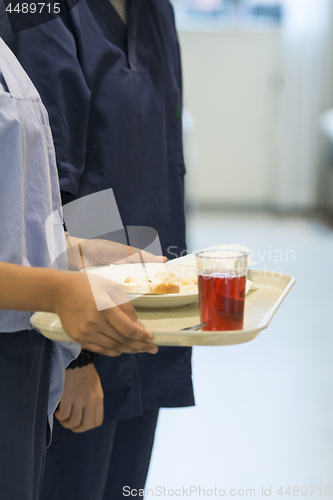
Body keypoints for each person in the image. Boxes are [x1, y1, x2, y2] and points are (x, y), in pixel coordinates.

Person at [0, 0, 195, 497]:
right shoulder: (40, 12)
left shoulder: (156, 12)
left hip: (147, 307)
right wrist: (78, 358)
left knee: (126, 485)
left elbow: (164, 155)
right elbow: (56, 185)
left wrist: (173, 297)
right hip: (76, 325)